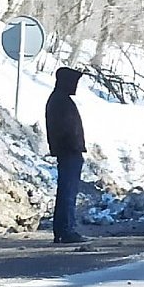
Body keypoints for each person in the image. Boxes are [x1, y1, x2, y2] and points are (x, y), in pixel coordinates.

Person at [45, 67, 88, 244]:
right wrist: (72, 146)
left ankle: (62, 229)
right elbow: (64, 129)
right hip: (68, 151)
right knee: (68, 192)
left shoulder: (60, 100)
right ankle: (66, 229)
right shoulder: (60, 101)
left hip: (69, 151)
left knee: (67, 191)